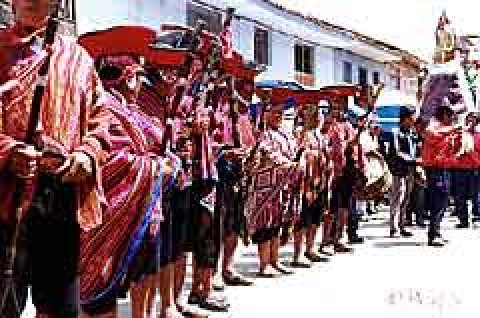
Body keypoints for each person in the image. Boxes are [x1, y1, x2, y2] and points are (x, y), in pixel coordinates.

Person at [0, 0, 113, 316]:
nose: (33, 1)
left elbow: (101, 120)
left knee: (60, 306)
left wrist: (86, 157)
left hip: (61, 196)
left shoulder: (78, 59)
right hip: (8, 199)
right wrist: (9, 152)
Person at [422, 105, 460, 246]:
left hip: (444, 168)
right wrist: (451, 129)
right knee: (437, 202)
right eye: (450, 115)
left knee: (443, 202)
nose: (452, 119)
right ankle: (433, 235)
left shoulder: (446, 129)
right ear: (444, 114)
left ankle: (436, 232)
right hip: (434, 168)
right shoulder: (433, 124)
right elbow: (429, 133)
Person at [387, 106, 417, 238]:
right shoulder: (395, 132)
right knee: (397, 198)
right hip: (398, 170)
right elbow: (397, 151)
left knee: (406, 199)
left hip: (410, 170)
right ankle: (394, 228)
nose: (413, 120)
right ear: (405, 118)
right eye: (412, 117)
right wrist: (413, 160)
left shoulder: (412, 133)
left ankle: (402, 225)